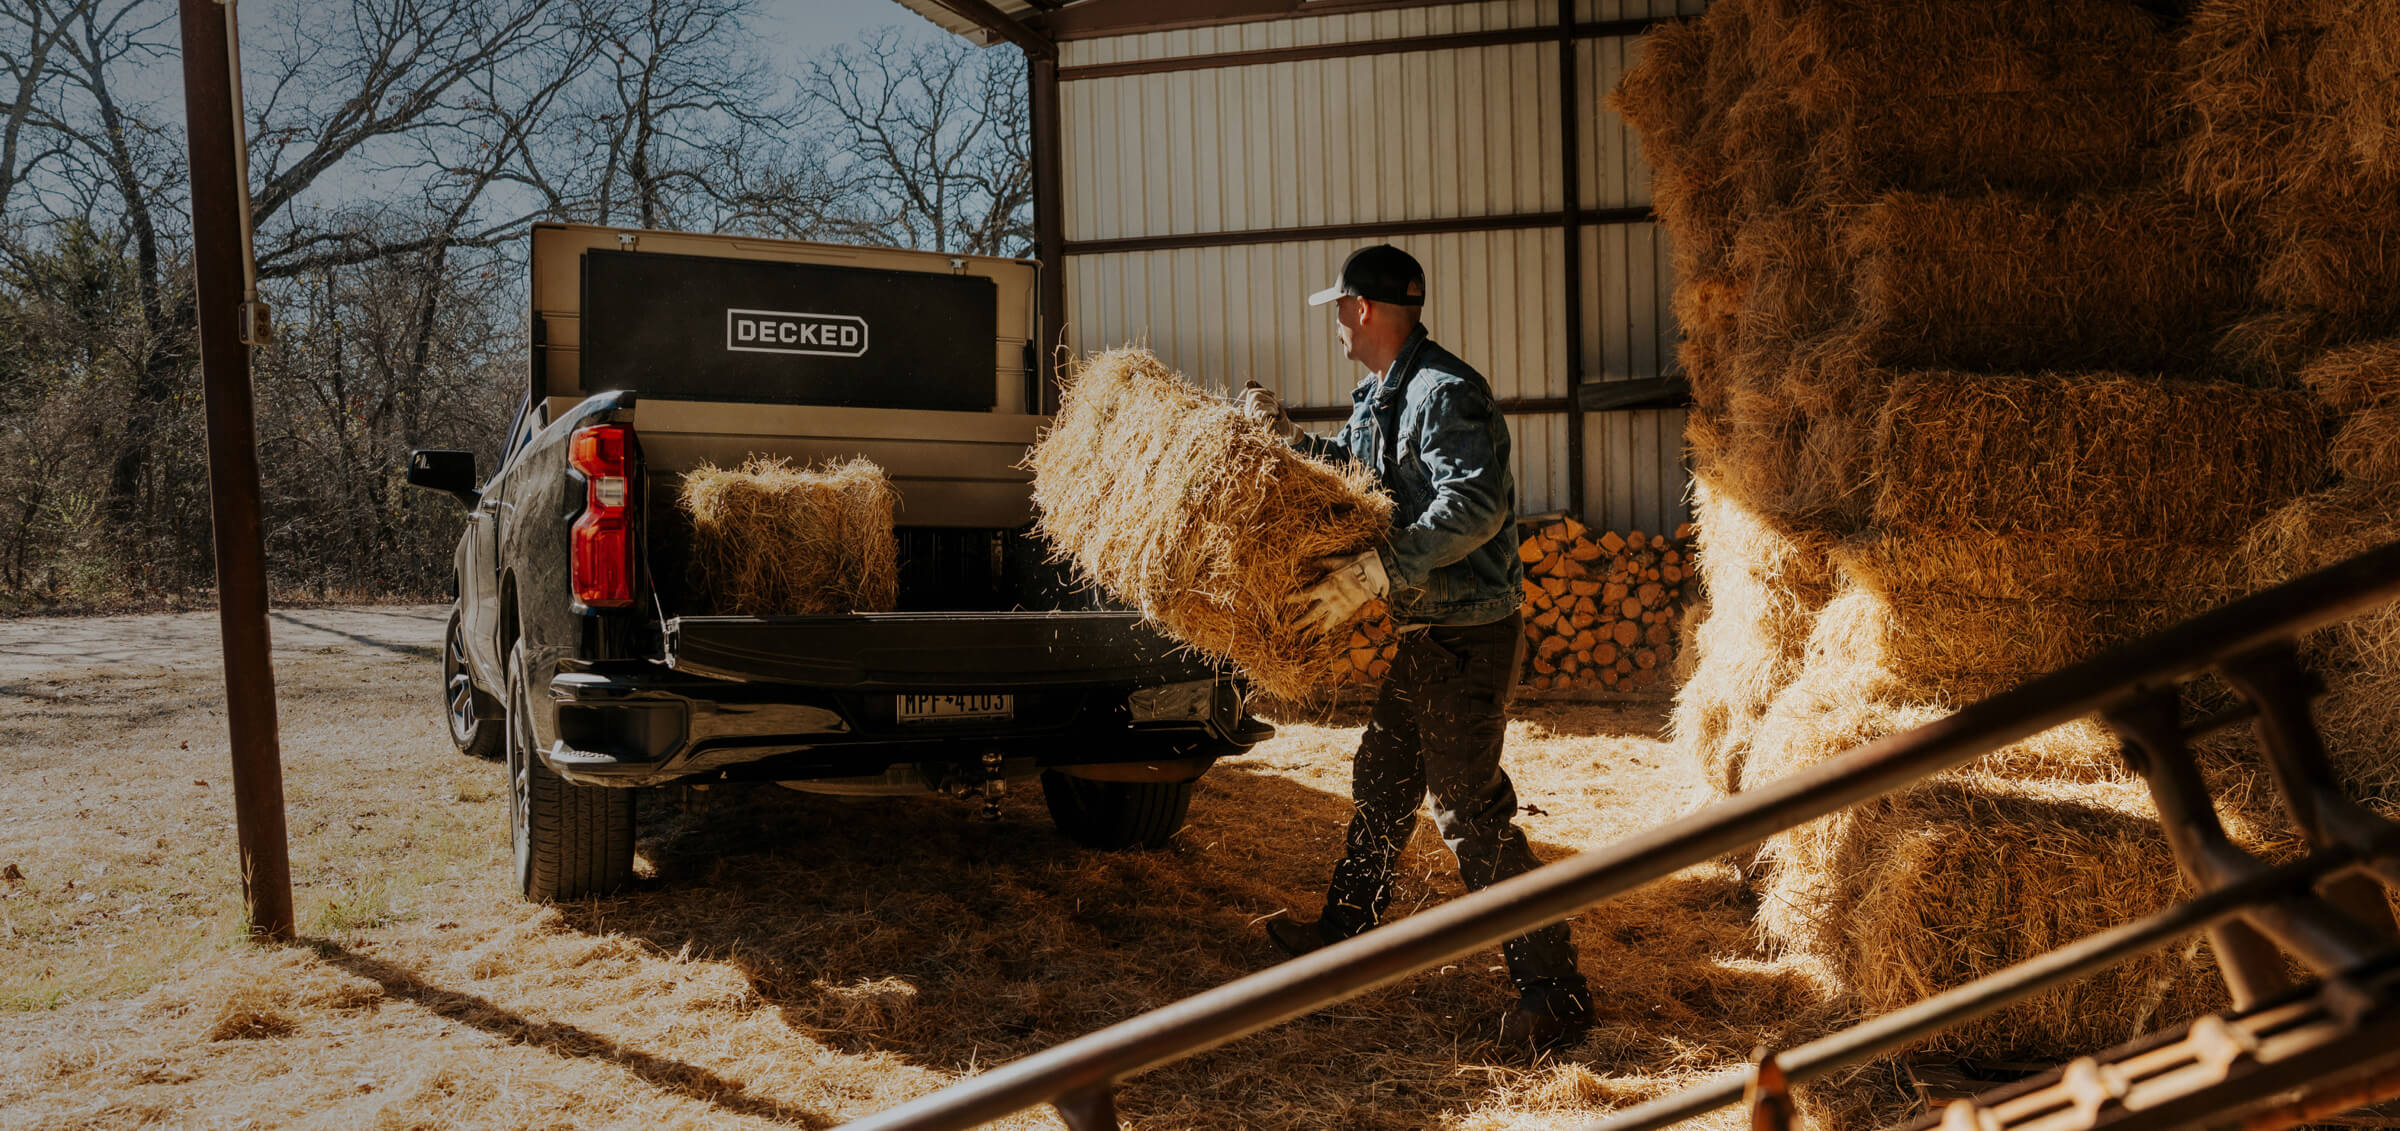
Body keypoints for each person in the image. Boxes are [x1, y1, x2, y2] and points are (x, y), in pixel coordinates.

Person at [1240, 244, 1593, 1052]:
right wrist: (1289, 442)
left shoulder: (1446, 393)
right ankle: (1344, 938)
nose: (1334, 321)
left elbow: (1473, 508)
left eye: (1339, 307)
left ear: (1362, 310)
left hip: (1468, 633)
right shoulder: (1379, 397)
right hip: (1432, 632)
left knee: (1469, 811)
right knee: (1383, 777)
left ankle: (1555, 990)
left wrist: (1377, 571)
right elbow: (1360, 484)